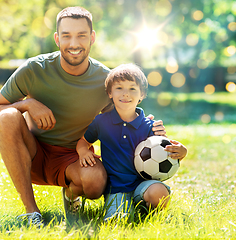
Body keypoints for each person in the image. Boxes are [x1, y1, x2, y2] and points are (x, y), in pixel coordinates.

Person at [0, 6, 166, 226]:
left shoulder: (105, 80)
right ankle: (32, 212)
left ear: (92, 38)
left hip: (73, 157)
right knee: (9, 115)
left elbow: (122, 117)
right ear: (57, 39)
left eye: (81, 36)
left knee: (95, 183)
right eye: (67, 36)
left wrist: (147, 126)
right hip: (32, 153)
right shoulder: (33, 69)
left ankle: (71, 195)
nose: (74, 43)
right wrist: (27, 104)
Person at [76, 63, 187, 221]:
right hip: (116, 189)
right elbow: (83, 141)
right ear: (110, 93)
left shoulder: (149, 126)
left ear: (141, 95)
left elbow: (166, 153)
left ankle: (147, 209)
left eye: (132, 89)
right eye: (119, 88)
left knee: (159, 193)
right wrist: (83, 151)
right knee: (118, 221)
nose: (125, 94)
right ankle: (127, 207)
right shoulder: (101, 122)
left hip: (143, 185)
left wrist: (182, 152)